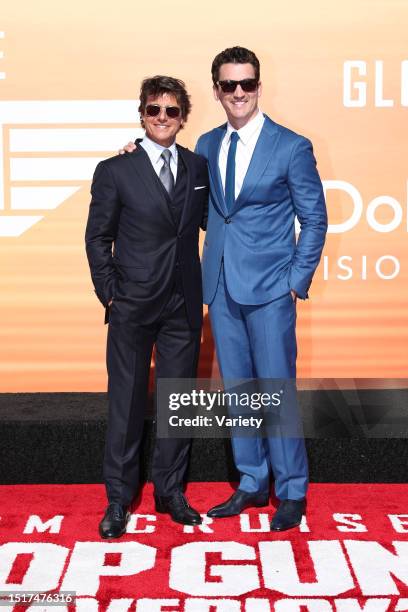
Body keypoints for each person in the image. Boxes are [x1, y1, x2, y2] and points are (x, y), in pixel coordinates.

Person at [121, 46, 327, 531]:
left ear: (259, 86)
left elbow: (314, 219)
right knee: (239, 394)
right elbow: (166, 171)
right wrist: (134, 150)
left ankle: (291, 490)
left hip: (272, 289)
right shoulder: (207, 146)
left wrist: (295, 281)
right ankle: (252, 481)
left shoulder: (292, 146)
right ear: (216, 90)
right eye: (229, 85)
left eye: (247, 84)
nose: (239, 93)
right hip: (218, 285)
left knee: (275, 392)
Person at [85, 75, 209, 538]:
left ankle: (170, 491)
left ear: (182, 118)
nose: (162, 117)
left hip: (181, 302)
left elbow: (212, 221)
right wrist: (111, 293)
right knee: (126, 401)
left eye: (171, 111)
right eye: (154, 109)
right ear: (142, 114)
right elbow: (98, 237)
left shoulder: (198, 168)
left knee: (179, 401)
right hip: (132, 303)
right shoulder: (115, 169)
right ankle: (119, 498)